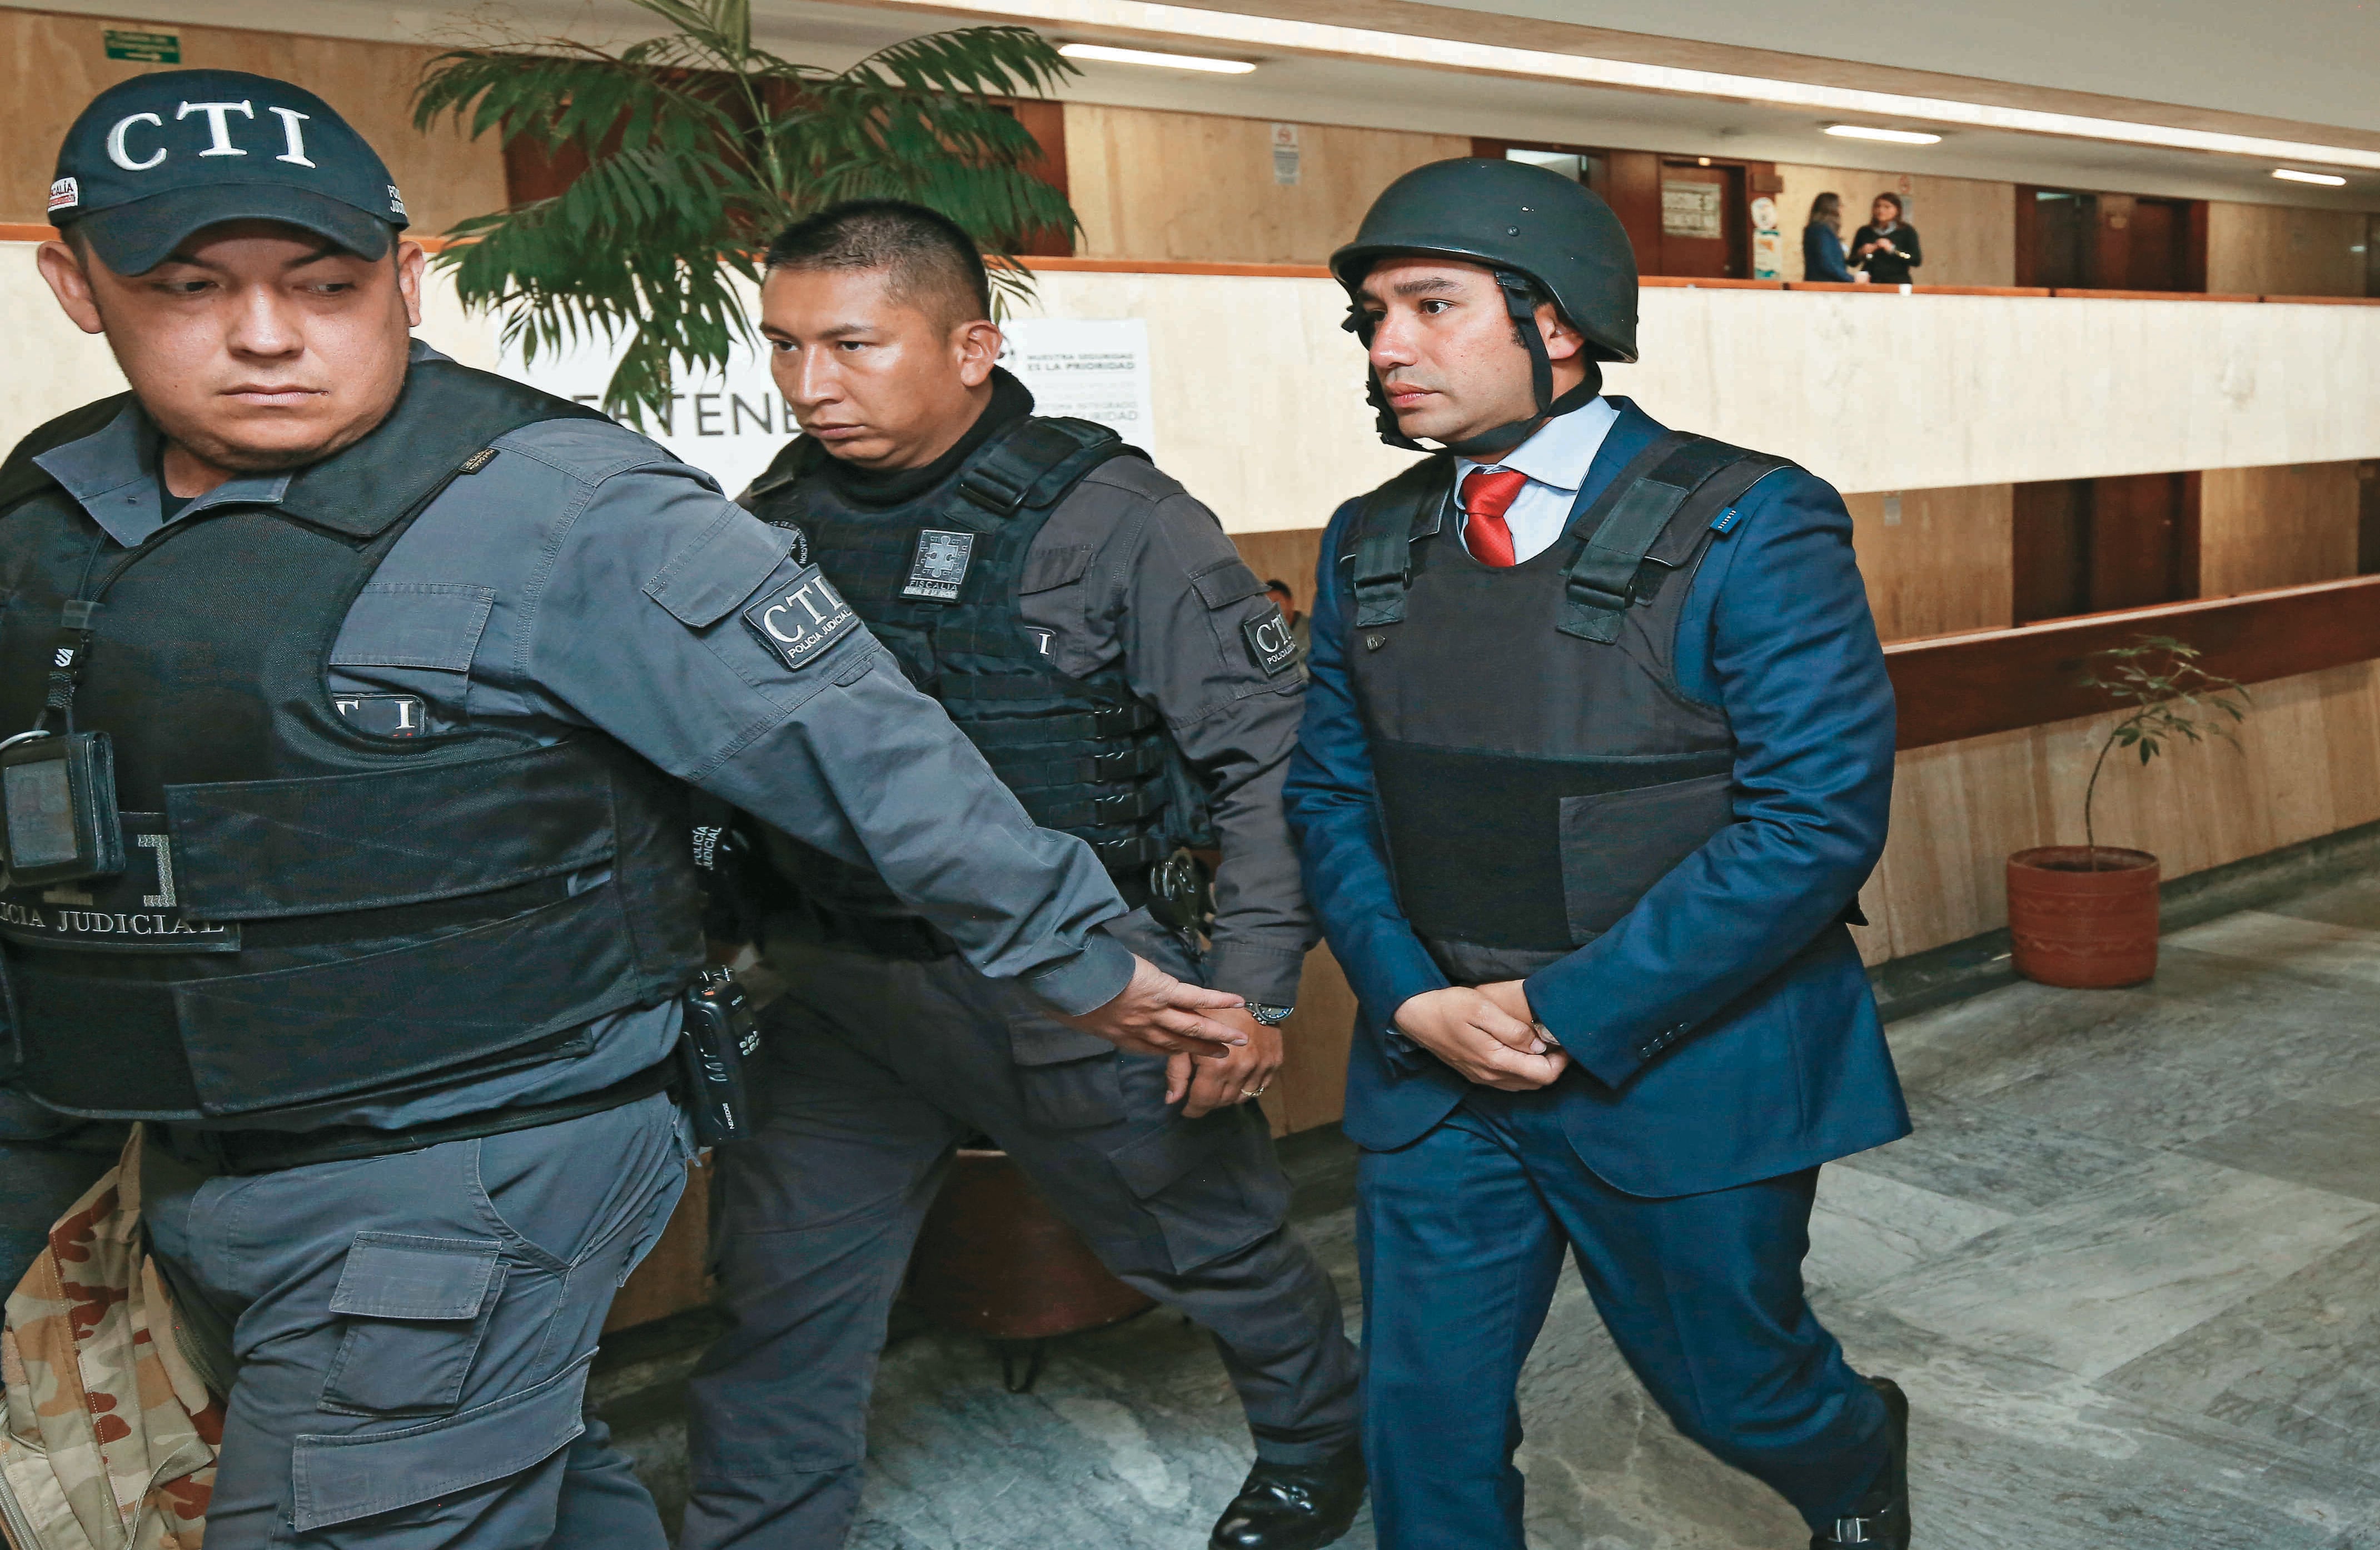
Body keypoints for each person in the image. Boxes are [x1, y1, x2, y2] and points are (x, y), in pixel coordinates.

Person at [3, 72, 1247, 1550]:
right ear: (74, 286)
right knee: (537, 1472)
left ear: (407, 279)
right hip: (162, 1133)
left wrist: (1095, 965)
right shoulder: (50, 505)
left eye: (323, 285)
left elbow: (859, 750)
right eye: (188, 286)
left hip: (471, 1158)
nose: (264, 334)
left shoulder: (571, 509)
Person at [679, 201, 1367, 1550]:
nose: (810, 385)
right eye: (783, 346)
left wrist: (1252, 992)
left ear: (970, 345)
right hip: (838, 985)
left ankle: (1316, 1444)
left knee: (1210, 1250)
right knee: (780, 1296)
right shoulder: (775, 519)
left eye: (854, 345)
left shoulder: (1116, 523)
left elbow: (1270, 765)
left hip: (1077, 988)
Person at [1283, 156, 1914, 1550]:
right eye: (1372, 317)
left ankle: (1854, 1450)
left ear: (1553, 321)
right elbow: (1328, 796)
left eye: (1429, 306)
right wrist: (1406, 996)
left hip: (1687, 1062)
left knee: (1728, 1388)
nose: (1387, 346)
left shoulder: (1754, 520)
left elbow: (1811, 822)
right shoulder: (1366, 541)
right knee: (1420, 1422)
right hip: (1436, 1059)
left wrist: (1563, 1009)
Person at [1851, 192, 1923, 285]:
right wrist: (1861, 252)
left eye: (1887, 207)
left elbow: (1916, 260)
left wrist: (1893, 250)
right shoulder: (1864, 231)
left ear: (1897, 210)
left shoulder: (1907, 231)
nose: (1881, 210)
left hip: (1897, 282)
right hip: (1870, 282)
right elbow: (1852, 262)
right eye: (1878, 206)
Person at [1801, 192, 1862, 283]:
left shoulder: (1817, 230)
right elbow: (1826, 263)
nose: (1842, 209)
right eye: (1840, 205)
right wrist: (1852, 279)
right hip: (1824, 285)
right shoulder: (1821, 230)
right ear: (1833, 208)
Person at [1266, 577, 1312, 661]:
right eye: (1267, 604)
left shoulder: (1312, 629)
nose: (1272, 608)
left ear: (1290, 602)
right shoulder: (1267, 633)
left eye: (1276, 602)